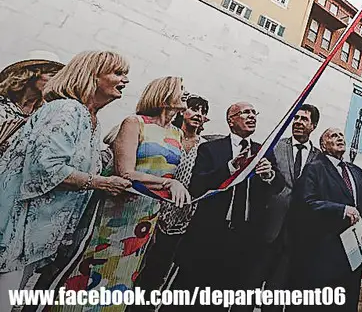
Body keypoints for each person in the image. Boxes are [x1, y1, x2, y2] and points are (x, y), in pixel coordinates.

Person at [0, 51, 132, 312]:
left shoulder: (92, 119)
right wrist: (100, 183)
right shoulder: (66, 109)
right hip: (15, 234)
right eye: (117, 73)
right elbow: (46, 168)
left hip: (36, 240)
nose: (125, 80)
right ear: (92, 76)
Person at [54, 77, 192, 312]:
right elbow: (126, 172)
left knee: (123, 278)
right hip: (116, 211)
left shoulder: (178, 134)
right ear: (165, 93)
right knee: (93, 271)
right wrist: (168, 184)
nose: (186, 94)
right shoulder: (135, 123)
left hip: (147, 216)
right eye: (182, 89)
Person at [169, 102, 284, 312]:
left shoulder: (262, 151)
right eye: (245, 113)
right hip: (209, 236)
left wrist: (269, 175)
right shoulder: (211, 149)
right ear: (231, 120)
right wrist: (230, 167)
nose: (251, 117)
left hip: (245, 239)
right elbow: (197, 186)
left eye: (254, 113)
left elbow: (278, 187)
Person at [133, 95, 211, 308]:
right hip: (152, 207)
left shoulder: (205, 147)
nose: (199, 115)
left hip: (182, 216)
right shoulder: (168, 136)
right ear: (182, 111)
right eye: (194, 109)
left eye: (203, 112)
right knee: (135, 263)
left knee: (158, 270)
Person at [290, 127, 362, 312]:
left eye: (341, 135)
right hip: (325, 252)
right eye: (333, 135)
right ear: (323, 145)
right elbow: (305, 203)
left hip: (354, 255)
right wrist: (341, 210)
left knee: (348, 303)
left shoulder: (356, 171)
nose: (339, 138)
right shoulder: (314, 168)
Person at [263, 104, 320, 302]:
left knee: (277, 292)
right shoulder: (275, 146)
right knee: (249, 287)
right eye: (295, 118)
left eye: (304, 119)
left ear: (313, 125)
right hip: (268, 228)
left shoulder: (319, 158)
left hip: (297, 234)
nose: (297, 122)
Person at [0, 54, 63, 156]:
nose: (55, 82)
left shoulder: (48, 113)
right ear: (32, 75)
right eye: (52, 75)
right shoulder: (3, 104)